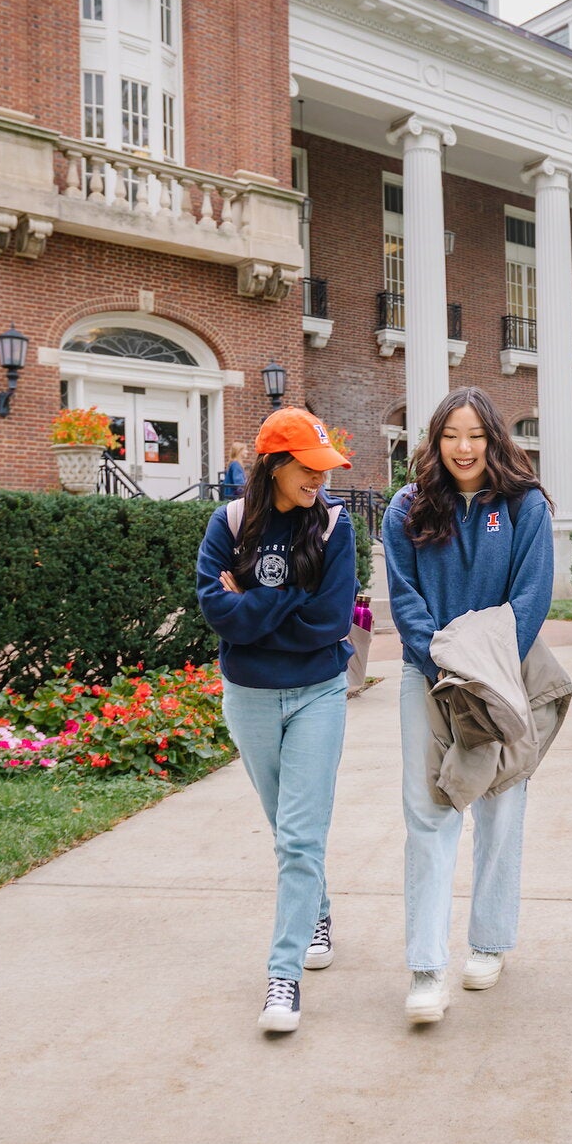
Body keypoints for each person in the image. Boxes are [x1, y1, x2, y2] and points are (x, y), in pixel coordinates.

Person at [382, 387, 553, 1024]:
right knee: (429, 813)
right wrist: (443, 666)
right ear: (435, 441)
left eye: (475, 435)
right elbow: (404, 602)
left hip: (502, 679)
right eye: (451, 435)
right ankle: (427, 968)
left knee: (501, 808)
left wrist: (483, 670)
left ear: (494, 440)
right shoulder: (406, 508)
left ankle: (488, 943)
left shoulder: (524, 507)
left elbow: (531, 599)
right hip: (426, 680)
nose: (463, 448)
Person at [195, 409, 357, 1034]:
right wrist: (291, 595)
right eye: (308, 467)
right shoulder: (229, 524)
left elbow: (330, 620)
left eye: (325, 467)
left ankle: (281, 979)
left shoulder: (336, 524)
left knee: (297, 837)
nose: (320, 478)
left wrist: (256, 603)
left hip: (319, 692)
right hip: (250, 696)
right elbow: (218, 613)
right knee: (283, 826)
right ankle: (316, 903)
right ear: (274, 465)